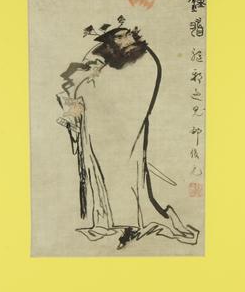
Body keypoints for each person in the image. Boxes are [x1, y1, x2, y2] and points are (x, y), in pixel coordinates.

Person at [57, 25, 198, 249]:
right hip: (98, 126)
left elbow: (136, 93)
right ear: (110, 41)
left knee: (129, 169)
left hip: (126, 127)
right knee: (99, 168)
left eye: (127, 34)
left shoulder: (145, 59)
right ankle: (107, 220)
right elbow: (78, 84)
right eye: (119, 37)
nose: (127, 39)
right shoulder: (100, 57)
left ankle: (130, 223)